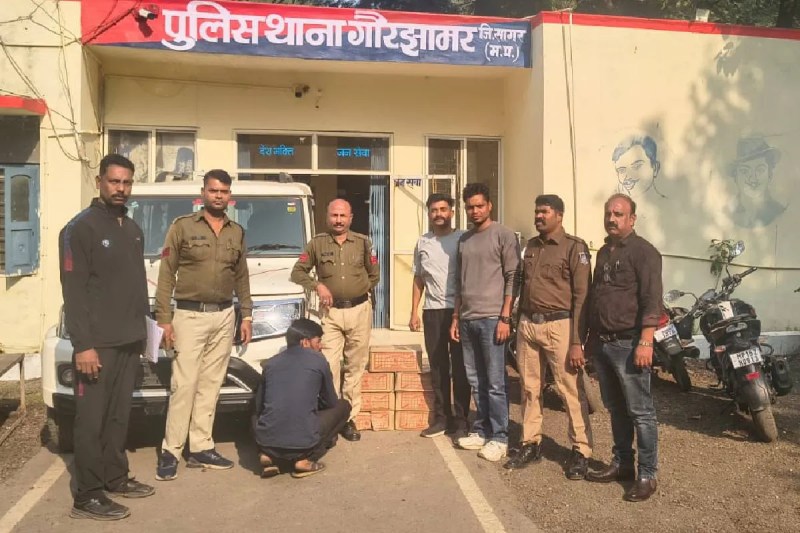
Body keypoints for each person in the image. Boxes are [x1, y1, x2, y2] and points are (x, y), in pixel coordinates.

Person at [59, 154, 154, 521]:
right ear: (99, 181)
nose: (121, 189)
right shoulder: (79, 228)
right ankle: (87, 495)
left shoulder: (131, 228)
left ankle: (115, 477)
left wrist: (145, 333)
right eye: (115, 181)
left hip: (128, 341)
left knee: (118, 417)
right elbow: (74, 292)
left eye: (127, 183)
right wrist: (83, 345)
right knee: (91, 421)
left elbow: (136, 287)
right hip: (96, 346)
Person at [155, 169, 253, 481]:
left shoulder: (236, 232)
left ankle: (201, 446)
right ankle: (171, 450)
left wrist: (246, 314)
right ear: (203, 193)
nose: (218, 196)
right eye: (213, 190)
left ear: (230, 195)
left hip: (224, 316)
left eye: (223, 191)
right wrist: (163, 319)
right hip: (189, 315)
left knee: (211, 385)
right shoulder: (183, 227)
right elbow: (166, 274)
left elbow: (242, 276)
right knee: (183, 385)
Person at [504, 195, 593, 479]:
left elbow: (582, 297)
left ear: (559, 215)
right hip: (529, 324)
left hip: (560, 326)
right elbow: (521, 285)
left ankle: (580, 450)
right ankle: (531, 443)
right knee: (529, 388)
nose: (538, 216)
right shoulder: (531, 246)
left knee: (570, 390)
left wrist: (577, 341)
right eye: (537, 212)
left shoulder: (574, 247)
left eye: (544, 212)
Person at [585, 193, 662, 502]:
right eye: (608, 213)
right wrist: (590, 340)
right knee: (616, 409)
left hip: (630, 344)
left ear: (632, 219)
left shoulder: (644, 252)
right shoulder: (604, 253)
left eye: (618, 214)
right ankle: (623, 464)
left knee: (640, 412)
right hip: (604, 344)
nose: (611, 219)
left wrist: (646, 341)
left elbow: (652, 300)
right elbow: (596, 297)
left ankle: (647, 474)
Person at [290, 198, 380, 442]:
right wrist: (318, 286)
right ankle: (331, 417)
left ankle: (349, 418)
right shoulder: (317, 244)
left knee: (355, 367)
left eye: (343, 216)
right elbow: (297, 272)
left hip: (359, 310)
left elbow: (374, 275)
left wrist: (357, 292)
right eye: (334, 215)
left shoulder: (363, 243)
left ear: (351, 218)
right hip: (330, 314)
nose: (338, 220)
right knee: (329, 367)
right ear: (327, 217)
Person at [449, 183, 520, 462]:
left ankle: (500, 437)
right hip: (468, 319)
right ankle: (481, 430)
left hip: (493, 319)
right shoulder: (464, 240)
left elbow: (513, 276)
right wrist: (456, 317)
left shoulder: (503, 235)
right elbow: (459, 282)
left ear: (489, 205)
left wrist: (505, 317)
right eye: (470, 207)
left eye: (480, 205)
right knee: (476, 380)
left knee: (495, 382)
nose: (475, 211)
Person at [254, 318, 351, 479]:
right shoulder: (319, 360)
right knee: (343, 406)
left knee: (255, 414)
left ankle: (267, 456)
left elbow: (259, 406)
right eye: (318, 342)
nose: (320, 346)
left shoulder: (270, 363)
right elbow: (331, 402)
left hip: (268, 443)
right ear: (305, 342)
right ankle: (305, 460)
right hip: (304, 444)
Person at [409, 193, 470, 439]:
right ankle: (442, 418)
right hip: (432, 311)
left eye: (443, 209)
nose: (439, 214)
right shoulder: (423, 242)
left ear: (452, 212)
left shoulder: (463, 239)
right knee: (438, 366)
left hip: (459, 311)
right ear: (429, 213)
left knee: (461, 367)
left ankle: (462, 421)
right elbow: (418, 278)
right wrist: (413, 311)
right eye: (434, 210)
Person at [729, 136, 785, 228]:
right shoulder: (728, 213)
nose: (753, 179)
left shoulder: (778, 213)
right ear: (736, 177)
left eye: (760, 170)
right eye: (745, 171)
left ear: (769, 175)